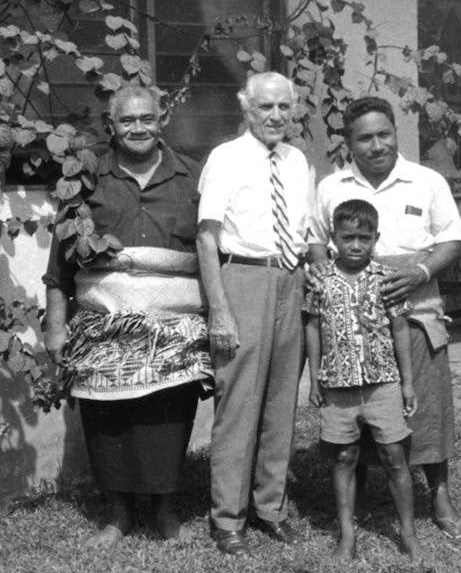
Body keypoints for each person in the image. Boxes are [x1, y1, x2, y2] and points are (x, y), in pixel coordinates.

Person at [43, 84, 211, 548]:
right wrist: (56, 327)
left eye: (147, 119)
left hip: (172, 328)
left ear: (162, 123)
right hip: (103, 325)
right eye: (128, 121)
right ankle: (118, 514)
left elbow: (210, 252)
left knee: (168, 418)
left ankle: (166, 511)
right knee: (107, 420)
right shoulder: (86, 182)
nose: (139, 128)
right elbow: (60, 264)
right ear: (111, 126)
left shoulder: (192, 178)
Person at [308, 95, 461, 538]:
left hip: (416, 310)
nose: (376, 145)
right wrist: (328, 277)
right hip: (353, 324)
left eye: (384, 134)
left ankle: (438, 494)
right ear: (349, 142)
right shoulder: (332, 186)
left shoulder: (426, 180)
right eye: (364, 138)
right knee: (356, 401)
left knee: (427, 405)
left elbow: (452, 240)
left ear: (396, 132)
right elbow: (317, 242)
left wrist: (418, 272)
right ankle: (357, 495)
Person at [196, 71, 309, 555]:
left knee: (282, 401)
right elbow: (206, 237)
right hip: (243, 277)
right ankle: (227, 519)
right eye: (266, 107)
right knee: (239, 402)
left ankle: (270, 508)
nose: (276, 116)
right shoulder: (226, 157)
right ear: (246, 108)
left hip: (291, 279)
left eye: (284, 107)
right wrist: (219, 310)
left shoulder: (298, 160)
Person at [304, 199, 423, 563]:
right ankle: (347, 536)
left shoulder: (385, 278)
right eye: (348, 237)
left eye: (364, 238)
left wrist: (407, 382)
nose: (356, 245)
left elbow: (400, 328)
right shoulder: (321, 280)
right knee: (344, 456)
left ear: (376, 238)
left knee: (394, 456)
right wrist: (314, 379)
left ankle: (408, 533)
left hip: (382, 382)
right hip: (338, 385)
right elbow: (311, 327)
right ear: (333, 239)